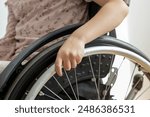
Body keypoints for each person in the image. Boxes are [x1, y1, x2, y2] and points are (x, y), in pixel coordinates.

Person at [0, 0, 129, 75]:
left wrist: (78, 38)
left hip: (48, 59)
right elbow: (10, 40)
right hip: (18, 63)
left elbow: (119, 7)